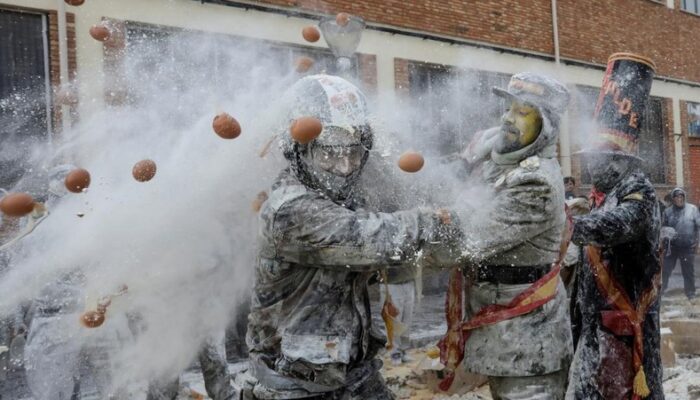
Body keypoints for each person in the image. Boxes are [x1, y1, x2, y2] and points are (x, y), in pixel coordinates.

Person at [237, 75, 459, 400]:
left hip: (351, 374)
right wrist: (436, 222)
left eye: (353, 154)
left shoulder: (347, 202)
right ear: (301, 150)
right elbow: (368, 240)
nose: (343, 168)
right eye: (329, 154)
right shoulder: (290, 209)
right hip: (294, 385)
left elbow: (393, 260)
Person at [439, 72, 573, 399]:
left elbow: (466, 239)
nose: (508, 118)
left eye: (524, 112)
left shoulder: (536, 182)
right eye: (510, 108)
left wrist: (389, 240)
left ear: (547, 128)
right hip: (500, 328)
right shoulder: (496, 157)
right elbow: (449, 184)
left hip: (528, 341)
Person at [566, 53, 663, 399]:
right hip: (595, 326)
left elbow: (617, 225)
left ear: (619, 161)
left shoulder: (639, 191)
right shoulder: (603, 194)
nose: (591, 167)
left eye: (598, 160)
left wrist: (568, 226)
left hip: (623, 331)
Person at [661, 187, 700, 301]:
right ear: (673, 199)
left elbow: (698, 227)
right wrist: (664, 241)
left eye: (681, 196)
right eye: (677, 197)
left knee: (688, 271)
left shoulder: (692, 209)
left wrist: (698, 244)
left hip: (688, 246)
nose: (679, 199)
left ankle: (690, 293)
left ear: (684, 197)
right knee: (666, 270)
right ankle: (661, 291)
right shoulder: (667, 212)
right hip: (671, 247)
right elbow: (663, 228)